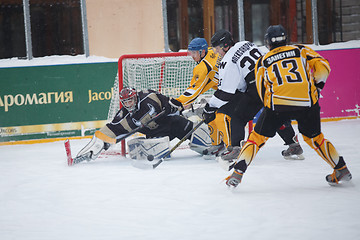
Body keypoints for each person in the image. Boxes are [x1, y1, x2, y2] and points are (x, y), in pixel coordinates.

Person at [225, 25, 352, 187]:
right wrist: (317, 88)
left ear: (268, 43)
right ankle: (341, 167)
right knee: (315, 139)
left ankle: (238, 172)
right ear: (286, 39)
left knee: (256, 139)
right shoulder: (301, 50)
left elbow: (260, 87)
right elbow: (324, 67)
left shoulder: (264, 60)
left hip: (278, 104)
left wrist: (269, 106)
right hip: (307, 102)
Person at [202, 29, 303, 163]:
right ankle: (294, 145)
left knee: (237, 117)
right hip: (274, 80)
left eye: (217, 49)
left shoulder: (227, 60)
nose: (216, 52)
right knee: (275, 114)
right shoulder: (246, 43)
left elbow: (226, 93)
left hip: (257, 86)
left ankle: (236, 149)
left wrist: (210, 107)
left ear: (226, 46)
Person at [75, 87, 194, 162]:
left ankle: (210, 148)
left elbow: (169, 102)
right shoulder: (124, 116)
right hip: (157, 134)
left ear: (135, 98)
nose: (128, 104)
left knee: (191, 130)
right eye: (125, 102)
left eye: (130, 100)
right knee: (159, 152)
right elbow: (111, 128)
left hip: (172, 123)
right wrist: (100, 143)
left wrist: (176, 108)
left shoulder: (149, 97)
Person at [168, 37, 225, 157]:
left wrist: (178, 102)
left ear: (202, 52)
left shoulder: (203, 67)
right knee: (212, 113)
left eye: (194, 53)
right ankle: (220, 144)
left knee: (214, 115)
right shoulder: (212, 51)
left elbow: (194, 90)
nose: (192, 56)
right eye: (191, 53)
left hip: (230, 91)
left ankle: (224, 145)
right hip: (230, 88)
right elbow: (206, 83)